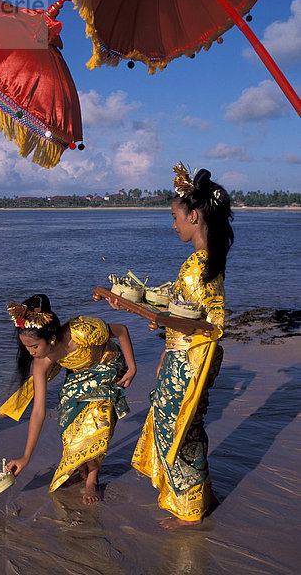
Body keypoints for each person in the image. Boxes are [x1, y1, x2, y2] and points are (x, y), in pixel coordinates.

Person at [111, 162, 234, 529]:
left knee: (173, 426)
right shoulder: (202, 259)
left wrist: (160, 320)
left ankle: (191, 511)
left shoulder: (199, 266)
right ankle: (202, 493)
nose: (174, 224)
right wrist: (144, 309)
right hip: (186, 353)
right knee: (188, 424)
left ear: (194, 216)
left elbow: (211, 324)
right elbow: (188, 311)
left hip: (193, 356)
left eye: (176, 217)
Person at [0, 293, 136, 505]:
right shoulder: (40, 362)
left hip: (107, 365)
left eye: (34, 346)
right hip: (79, 374)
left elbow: (121, 331)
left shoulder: (83, 331)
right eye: (26, 346)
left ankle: (92, 478)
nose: (30, 352)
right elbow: (38, 411)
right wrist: (25, 457)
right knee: (68, 425)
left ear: (51, 339)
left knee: (98, 419)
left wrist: (132, 367)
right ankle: (83, 468)